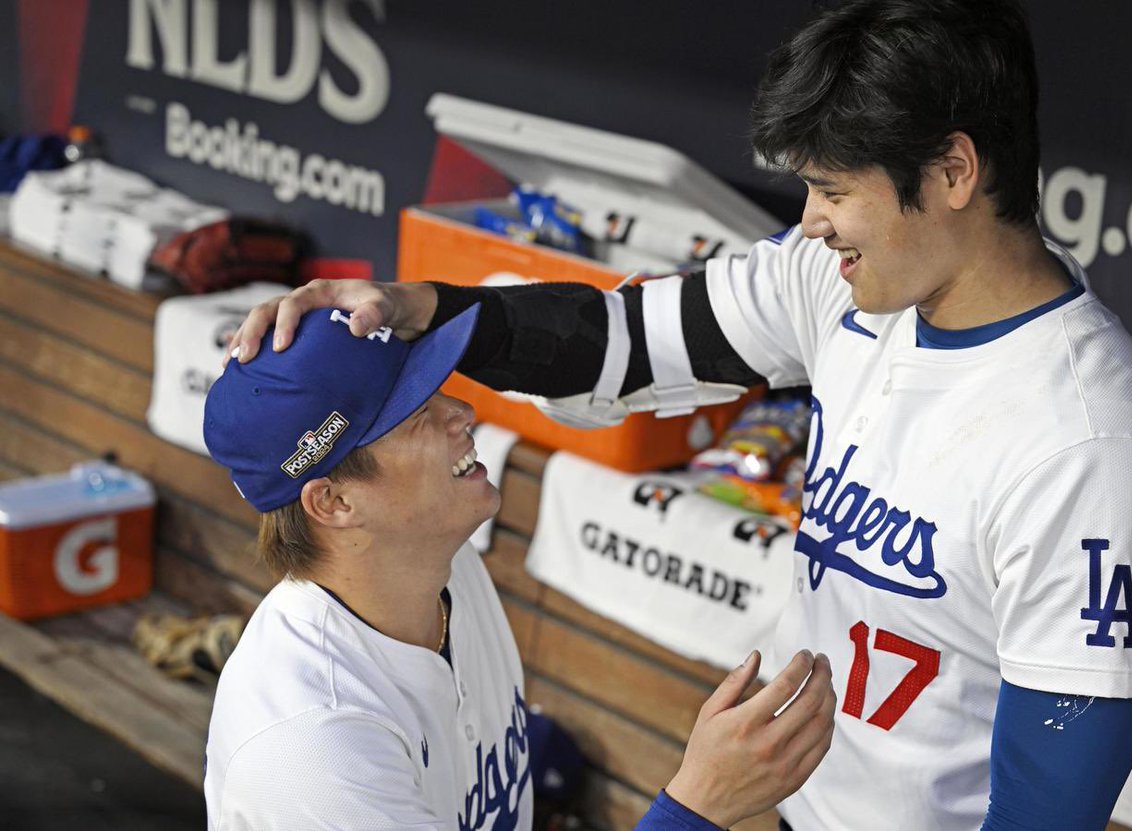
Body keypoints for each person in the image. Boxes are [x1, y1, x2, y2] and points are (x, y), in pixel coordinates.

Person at [227, 1, 1132, 827]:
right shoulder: (844, 286)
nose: (811, 222)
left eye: (831, 188)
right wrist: (425, 309)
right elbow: (616, 343)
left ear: (952, 173)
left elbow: (1045, 815)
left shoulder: (1093, 452)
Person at [202, 303, 836, 831]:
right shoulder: (313, 748)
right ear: (334, 501)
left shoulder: (443, 571)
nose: (462, 413)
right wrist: (700, 805)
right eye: (417, 416)